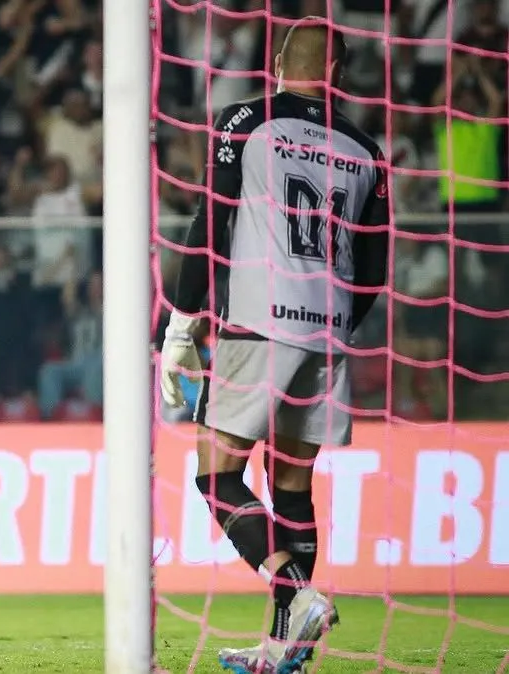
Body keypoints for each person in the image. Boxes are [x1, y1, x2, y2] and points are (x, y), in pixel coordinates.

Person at [158, 18, 390, 674]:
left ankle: (297, 595)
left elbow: (212, 217)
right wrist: (339, 325)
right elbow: (374, 269)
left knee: (215, 474)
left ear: (278, 64)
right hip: (327, 334)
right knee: (290, 485)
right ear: (339, 75)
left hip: (258, 320)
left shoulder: (245, 121)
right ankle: (285, 649)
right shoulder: (366, 148)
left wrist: (183, 324)